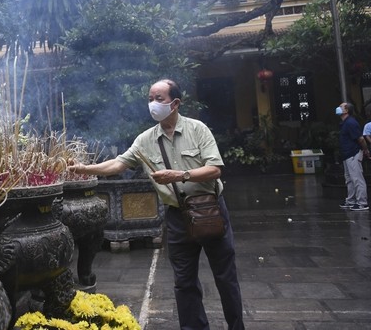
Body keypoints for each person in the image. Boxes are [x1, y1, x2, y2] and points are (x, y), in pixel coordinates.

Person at [70, 79, 244, 330]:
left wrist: (179, 175)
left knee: (225, 277)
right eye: (150, 98)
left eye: (159, 99)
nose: (153, 104)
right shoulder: (145, 140)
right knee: (184, 282)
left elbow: (215, 169)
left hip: (209, 209)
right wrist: (85, 169)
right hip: (177, 216)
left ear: (175, 103)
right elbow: (118, 164)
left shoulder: (198, 129)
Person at [336, 102, 370, 211]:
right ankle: (351, 201)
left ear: (346, 110)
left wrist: (365, 150)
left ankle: (362, 203)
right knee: (349, 179)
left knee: (357, 178)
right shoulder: (345, 123)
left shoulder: (350, 123)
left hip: (353, 153)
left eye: (341, 107)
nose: (339, 108)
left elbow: (360, 139)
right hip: (347, 154)